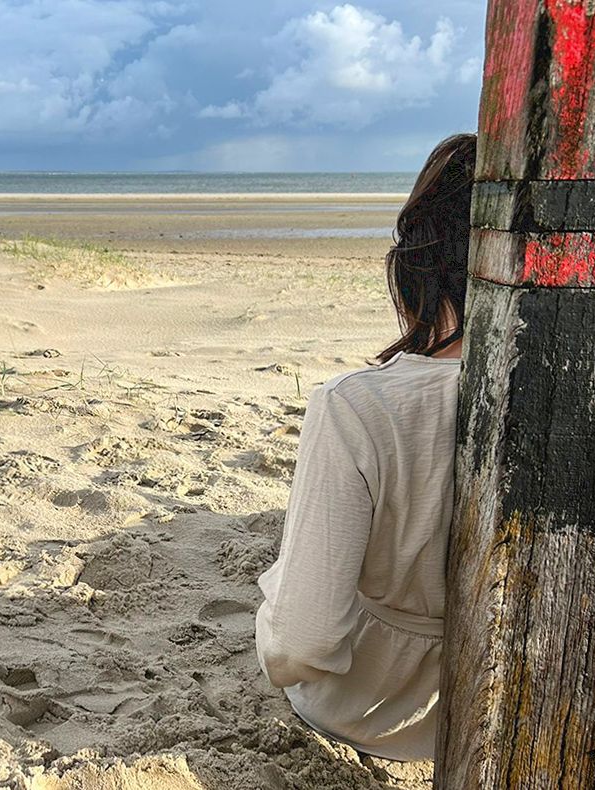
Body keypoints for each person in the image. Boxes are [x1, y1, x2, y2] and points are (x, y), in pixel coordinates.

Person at [254, 133, 476, 761]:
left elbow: (299, 644)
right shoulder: (577, 399)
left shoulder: (359, 407)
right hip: (512, 701)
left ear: (417, 267)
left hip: (364, 713)